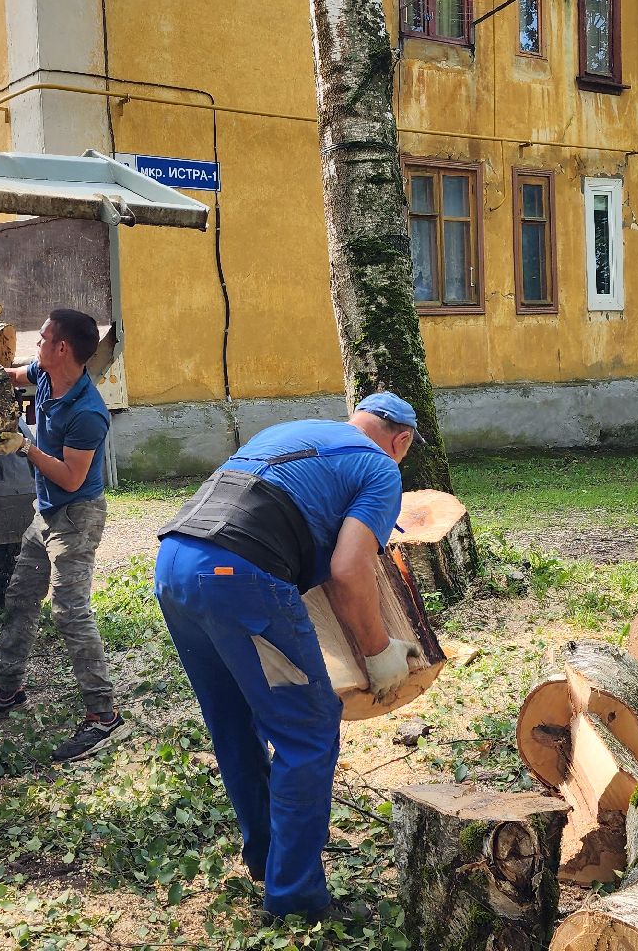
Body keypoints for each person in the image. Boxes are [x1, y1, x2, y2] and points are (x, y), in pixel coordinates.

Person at [152, 393, 425, 922]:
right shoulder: (380, 467)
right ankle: (295, 900)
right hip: (235, 574)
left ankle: (267, 857)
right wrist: (379, 652)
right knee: (310, 729)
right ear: (401, 441)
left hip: (175, 563)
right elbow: (349, 569)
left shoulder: (296, 433)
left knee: (234, 720)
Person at [0, 309, 131, 764]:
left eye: (43, 338)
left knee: (70, 612)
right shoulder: (45, 375)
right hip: (45, 513)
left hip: (76, 517)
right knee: (20, 597)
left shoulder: (88, 413)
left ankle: (103, 714)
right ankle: (8, 689)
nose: (37, 345)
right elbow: (14, 375)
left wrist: (25, 445)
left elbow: (71, 478)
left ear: (62, 348)